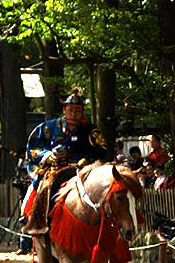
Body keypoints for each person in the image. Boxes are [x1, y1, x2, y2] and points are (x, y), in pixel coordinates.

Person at [21, 88, 109, 235]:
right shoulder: (48, 127)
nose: (73, 114)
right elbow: (34, 144)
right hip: (56, 169)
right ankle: (39, 221)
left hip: (83, 170)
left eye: (77, 110)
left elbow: (102, 148)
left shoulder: (90, 130)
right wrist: (46, 154)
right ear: (64, 110)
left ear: (82, 112)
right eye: (70, 110)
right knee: (44, 187)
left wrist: (87, 159)